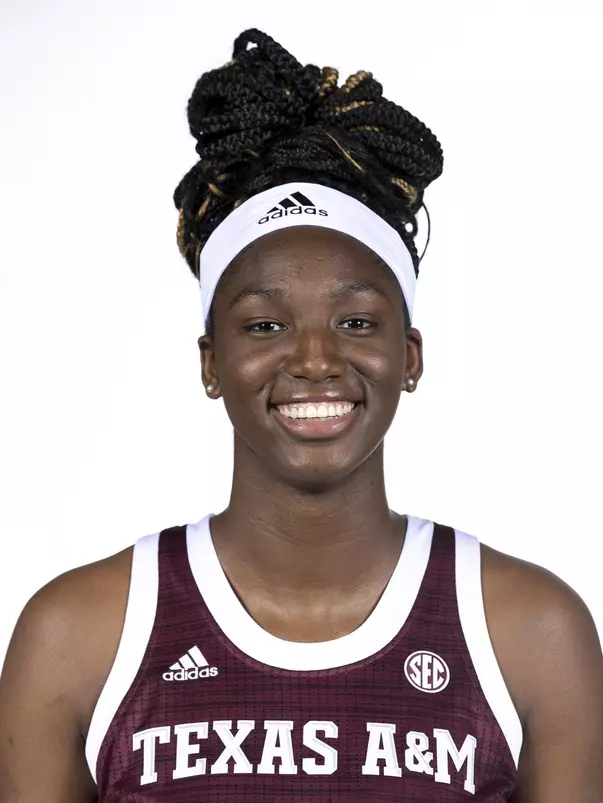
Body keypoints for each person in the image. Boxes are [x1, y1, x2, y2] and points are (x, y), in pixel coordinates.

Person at [0, 27, 602, 803]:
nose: (315, 359)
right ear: (210, 361)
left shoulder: (530, 632)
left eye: (356, 321)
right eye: (263, 325)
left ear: (409, 354)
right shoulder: (78, 636)